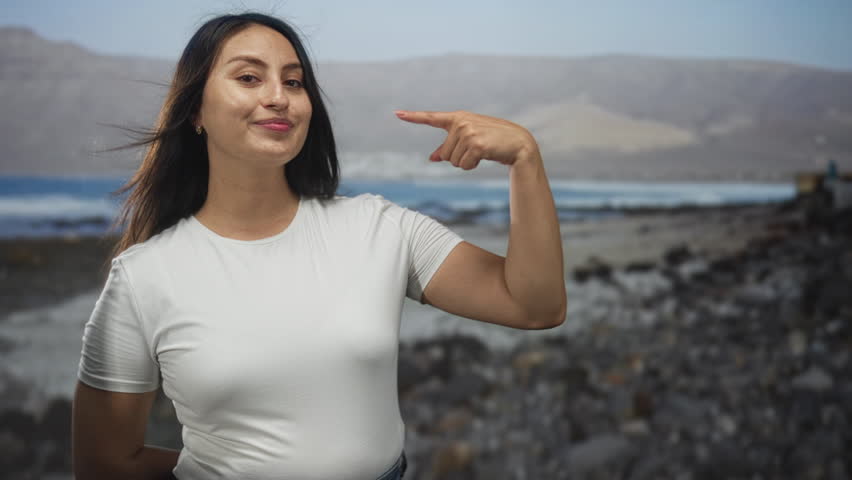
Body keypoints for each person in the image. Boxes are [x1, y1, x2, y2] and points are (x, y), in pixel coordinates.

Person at [71, 11, 566, 480]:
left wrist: (526, 159)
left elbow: (534, 305)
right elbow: (105, 463)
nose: (278, 97)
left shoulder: (380, 228)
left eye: (293, 81)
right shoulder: (143, 276)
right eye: (248, 78)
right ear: (195, 110)